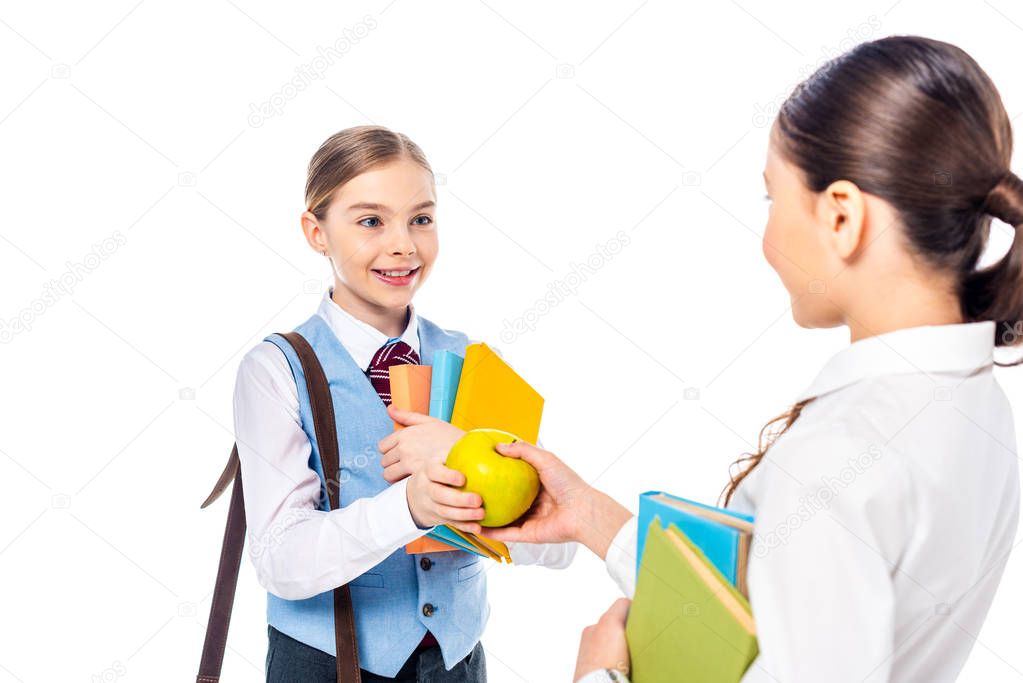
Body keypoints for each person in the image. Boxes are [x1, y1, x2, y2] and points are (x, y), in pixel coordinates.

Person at [385, 36, 1023, 681]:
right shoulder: (974, 405)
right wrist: (596, 520)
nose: (769, 240)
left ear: (841, 217)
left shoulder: (846, 449)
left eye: (773, 199)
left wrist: (600, 678)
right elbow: (788, 625)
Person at [233, 125, 575, 683]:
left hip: (456, 661)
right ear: (316, 233)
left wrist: (507, 509)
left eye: (421, 218)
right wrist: (410, 508)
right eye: (371, 221)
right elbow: (280, 560)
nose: (404, 245)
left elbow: (557, 548)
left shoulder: (469, 361)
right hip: (325, 662)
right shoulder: (276, 369)